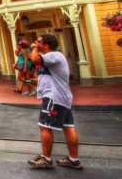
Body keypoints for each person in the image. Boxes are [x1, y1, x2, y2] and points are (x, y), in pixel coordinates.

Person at [27, 35, 83, 170]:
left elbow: (34, 59)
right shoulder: (51, 58)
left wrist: (34, 48)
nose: (35, 43)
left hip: (54, 97)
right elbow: (45, 73)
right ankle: (73, 160)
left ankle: (46, 159)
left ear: (46, 45)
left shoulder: (54, 55)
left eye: (39, 42)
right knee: (68, 127)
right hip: (61, 97)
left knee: (45, 126)